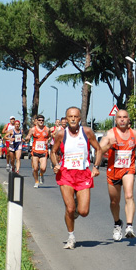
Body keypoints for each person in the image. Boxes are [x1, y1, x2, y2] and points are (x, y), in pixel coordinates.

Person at [51, 107, 102, 250]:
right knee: (70, 208)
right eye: (70, 116)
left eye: (75, 116)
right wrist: (55, 165)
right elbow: (53, 152)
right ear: (66, 119)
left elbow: (98, 149)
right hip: (66, 174)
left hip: (83, 174)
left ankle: (75, 207)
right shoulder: (61, 134)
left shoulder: (87, 132)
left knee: (84, 212)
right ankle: (71, 237)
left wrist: (96, 166)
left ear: (80, 118)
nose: (73, 119)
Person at [99, 109, 136, 241]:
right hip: (113, 170)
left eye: (125, 117)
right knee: (114, 201)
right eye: (119, 117)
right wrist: (110, 146)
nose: (122, 119)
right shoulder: (110, 134)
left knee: (129, 195)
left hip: (128, 168)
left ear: (129, 120)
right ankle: (117, 223)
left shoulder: (134, 133)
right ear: (115, 120)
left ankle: (129, 226)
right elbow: (99, 150)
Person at [26, 114, 51, 188]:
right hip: (35, 151)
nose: (41, 122)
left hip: (43, 151)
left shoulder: (47, 129)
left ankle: (41, 174)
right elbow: (29, 136)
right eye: (39, 120)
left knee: (43, 168)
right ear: (36, 121)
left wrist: (48, 140)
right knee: (35, 168)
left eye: (42, 120)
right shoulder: (33, 129)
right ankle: (36, 182)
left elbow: (50, 136)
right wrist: (26, 138)